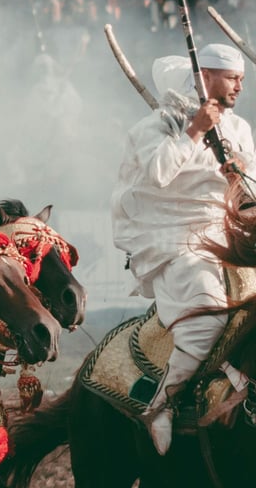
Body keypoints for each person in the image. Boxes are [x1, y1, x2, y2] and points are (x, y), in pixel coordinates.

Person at [111, 43, 256, 455]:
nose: (240, 87)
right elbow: (157, 174)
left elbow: (250, 190)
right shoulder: (154, 127)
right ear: (203, 77)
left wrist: (239, 176)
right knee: (207, 315)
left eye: (242, 79)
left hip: (229, 232)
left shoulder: (240, 128)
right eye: (232, 78)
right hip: (176, 238)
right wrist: (194, 130)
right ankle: (162, 403)